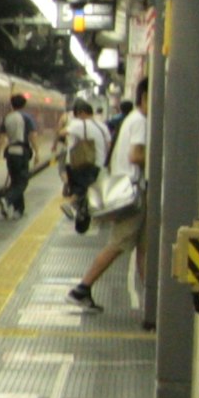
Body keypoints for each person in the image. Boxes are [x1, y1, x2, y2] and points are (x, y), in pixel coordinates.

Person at [67, 98, 149, 311]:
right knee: (118, 244)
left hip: (126, 189)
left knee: (143, 247)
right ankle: (81, 289)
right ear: (146, 98)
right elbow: (135, 155)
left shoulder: (132, 119)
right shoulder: (141, 121)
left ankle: (151, 301)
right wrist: (158, 159)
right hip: (133, 193)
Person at [58, 96, 104, 234]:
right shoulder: (101, 125)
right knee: (88, 190)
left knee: (82, 190)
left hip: (81, 163)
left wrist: (63, 125)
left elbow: (61, 133)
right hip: (98, 163)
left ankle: (71, 205)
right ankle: (82, 220)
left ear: (81, 113)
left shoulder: (78, 125)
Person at [0, 93, 34, 217]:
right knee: (23, 182)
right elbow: (32, 135)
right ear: (24, 105)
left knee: (15, 180)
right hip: (21, 152)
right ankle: (7, 199)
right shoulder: (26, 117)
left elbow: (1, 137)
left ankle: (18, 210)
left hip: (10, 152)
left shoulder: (7, 118)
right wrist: (37, 151)